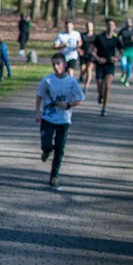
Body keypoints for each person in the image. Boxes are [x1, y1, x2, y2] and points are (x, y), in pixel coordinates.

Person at [36, 52, 84, 188]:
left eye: (58, 63)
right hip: (48, 117)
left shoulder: (71, 81)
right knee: (47, 144)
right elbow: (39, 95)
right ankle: (46, 150)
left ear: (65, 64)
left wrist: (68, 105)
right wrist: (38, 112)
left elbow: (79, 99)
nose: (56, 67)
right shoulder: (47, 80)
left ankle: (54, 175)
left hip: (64, 119)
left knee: (60, 148)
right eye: (54, 64)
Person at [92, 19, 123, 116]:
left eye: (112, 25)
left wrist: (117, 59)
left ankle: (104, 108)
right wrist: (98, 58)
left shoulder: (115, 39)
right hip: (100, 64)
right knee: (100, 84)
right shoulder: (99, 37)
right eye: (108, 25)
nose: (110, 27)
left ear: (114, 27)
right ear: (106, 26)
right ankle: (100, 94)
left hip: (110, 64)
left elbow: (122, 52)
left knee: (108, 86)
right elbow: (92, 50)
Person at [77, 20, 97, 97]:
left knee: (89, 69)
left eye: (90, 26)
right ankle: (81, 75)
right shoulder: (82, 35)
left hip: (91, 55)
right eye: (87, 26)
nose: (89, 28)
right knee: (83, 69)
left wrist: (95, 51)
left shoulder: (95, 37)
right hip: (83, 55)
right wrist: (79, 50)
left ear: (93, 27)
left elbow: (98, 46)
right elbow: (79, 44)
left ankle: (86, 86)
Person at [117, 17, 133, 85]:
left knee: (129, 66)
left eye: (129, 22)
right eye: (127, 22)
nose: (128, 23)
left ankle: (126, 80)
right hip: (124, 50)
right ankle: (123, 73)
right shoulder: (122, 31)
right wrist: (120, 42)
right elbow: (117, 39)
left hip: (131, 50)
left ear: (132, 23)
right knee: (123, 65)